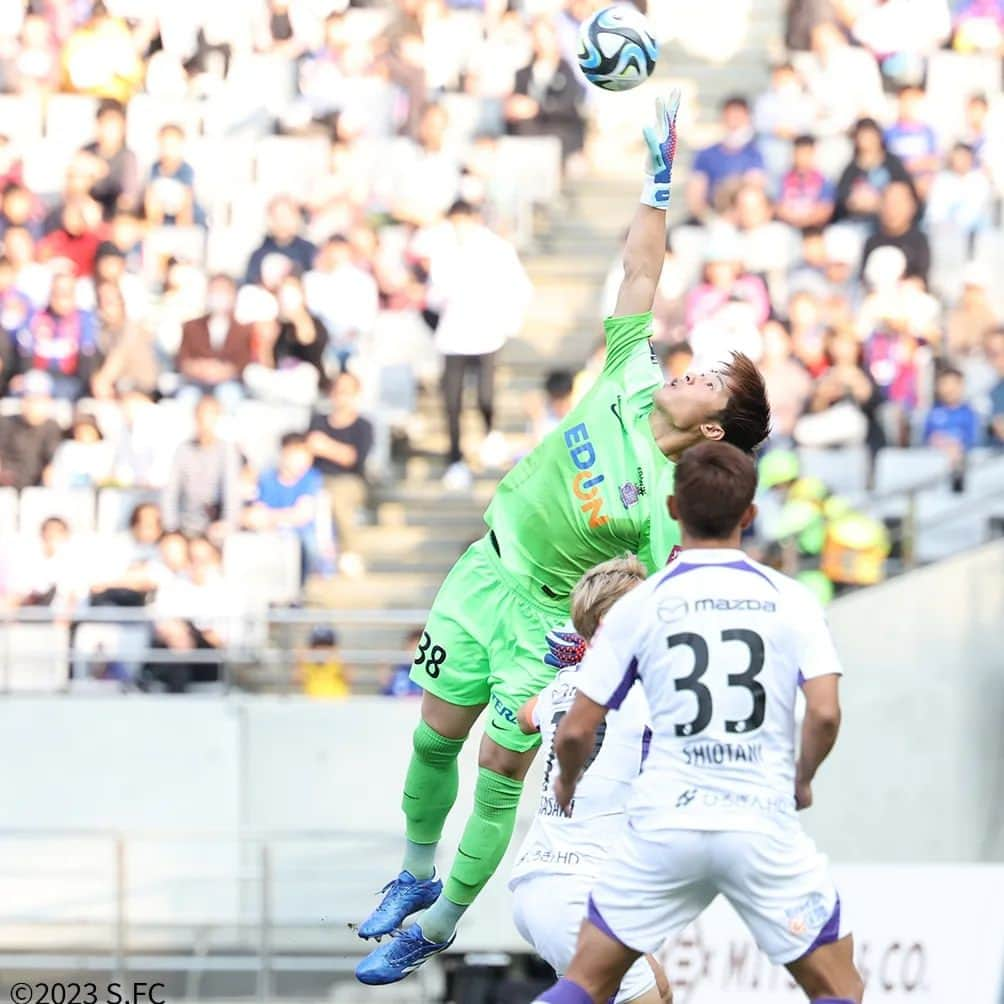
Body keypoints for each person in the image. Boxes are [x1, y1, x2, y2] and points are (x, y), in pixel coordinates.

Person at [353, 92, 771, 987]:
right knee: (434, 738)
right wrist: (659, 183)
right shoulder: (629, 373)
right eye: (701, 362)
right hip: (482, 571)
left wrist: (585, 651)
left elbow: (658, 610)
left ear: (712, 429)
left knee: (502, 764)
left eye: (712, 381)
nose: (694, 368)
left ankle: (442, 923)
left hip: (543, 624)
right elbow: (639, 274)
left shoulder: (664, 504)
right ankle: (413, 875)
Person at [531, 440, 862, 1004]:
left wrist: (564, 781)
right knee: (838, 985)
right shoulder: (792, 598)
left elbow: (577, 728)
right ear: (751, 514)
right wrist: (803, 777)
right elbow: (826, 714)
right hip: (758, 820)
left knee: (586, 983)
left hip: (666, 826)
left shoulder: (638, 605)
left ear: (672, 509)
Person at [510, 556, 669, 1004]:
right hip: (575, 891)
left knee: (660, 987)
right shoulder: (642, 687)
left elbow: (525, 716)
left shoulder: (563, 685)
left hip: (551, 883)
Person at [424, 200, 532, 490]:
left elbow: (519, 287)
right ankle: (454, 459)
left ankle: (490, 434)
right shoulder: (443, 250)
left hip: (486, 334)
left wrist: (508, 324)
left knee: (485, 396)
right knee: (451, 402)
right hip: (451, 337)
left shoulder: (496, 249)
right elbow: (434, 294)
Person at [306, 371, 373, 577]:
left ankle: (350, 552)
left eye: (347, 391)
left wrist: (325, 446)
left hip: (349, 481)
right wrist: (336, 451)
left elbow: (353, 458)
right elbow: (309, 448)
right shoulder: (318, 420)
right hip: (317, 478)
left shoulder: (363, 425)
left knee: (337, 499)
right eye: (338, 390)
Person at [244, 432, 332, 582]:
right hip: (271, 534)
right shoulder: (267, 478)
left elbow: (302, 515)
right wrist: (282, 517)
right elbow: (255, 515)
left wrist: (272, 516)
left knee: (306, 547)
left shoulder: (311, 478)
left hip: (303, 537)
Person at [162, 394, 242, 538]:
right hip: (186, 524)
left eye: (210, 418)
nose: (205, 424)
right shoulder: (183, 449)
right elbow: (171, 490)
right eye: (201, 418)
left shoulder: (227, 451)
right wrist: (171, 528)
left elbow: (231, 491)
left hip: (215, 525)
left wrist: (227, 523)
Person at [176, 274, 252, 408]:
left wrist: (224, 371)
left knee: (230, 396)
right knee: (186, 399)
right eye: (214, 291)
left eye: (223, 291)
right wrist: (200, 369)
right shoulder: (191, 327)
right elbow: (182, 359)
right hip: (196, 383)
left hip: (228, 384)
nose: (218, 297)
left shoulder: (243, 330)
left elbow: (244, 362)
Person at [686, 96, 766, 222]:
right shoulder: (705, 155)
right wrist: (710, 218)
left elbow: (755, 186)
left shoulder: (754, 154)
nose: (733, 124)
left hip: (744, 219)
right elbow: (695, 194)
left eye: (738, 118)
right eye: (730, 118)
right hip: (712, 217)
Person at [833, 118, 913, 229]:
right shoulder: (851, 169)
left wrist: (881, 203)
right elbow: (843, 199)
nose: (866, 141)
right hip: (858, 223)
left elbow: (906, 192)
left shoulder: (893, 164)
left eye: (870, 135)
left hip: (889, 224)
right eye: (862, 136)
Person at [0, 370, 62, 488]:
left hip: (37, 490)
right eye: (28, 399)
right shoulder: (6, 423)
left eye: (37, 400)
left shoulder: (52, 428)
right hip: (5, 486)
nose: (31, 405)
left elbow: (51, 464)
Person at [860, 181, 930, 284]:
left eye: (898, 203)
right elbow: (864, 281)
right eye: (888, 202)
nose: (892, 209)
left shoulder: (920, 242)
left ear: (912, 206)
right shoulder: (871, 242)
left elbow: (920, 280)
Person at [244, 195, 316, 286]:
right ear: (270, 220)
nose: (283, 221)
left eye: (288, 215)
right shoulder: (258, 256)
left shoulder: (309, 251)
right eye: (279, 216)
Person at [923, 367, 981, 474]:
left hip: (962, 467)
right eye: (944, 384)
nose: (948, 389)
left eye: (953, 384)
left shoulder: (969, 413)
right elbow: (925, 438)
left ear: (961, 386)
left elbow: (973, 440)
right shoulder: (933, 412)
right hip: (934, 466)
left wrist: (957, 446)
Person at [144, 124, 203, 228]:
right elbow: (151, 198)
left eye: (172, 146)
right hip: (164, 219)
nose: (168, 151)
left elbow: (187, 204)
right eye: (164, 145)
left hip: (186, 220)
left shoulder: (185, 170)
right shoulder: (154, 168)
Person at [775, 135, 836, 231]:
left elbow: (825, 210)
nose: (802, 157)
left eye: (807, 153)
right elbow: (778, 207)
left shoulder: (824, 180)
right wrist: (794, 220)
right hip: (788, 228)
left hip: (814, 230)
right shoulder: (783, 179)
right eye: (799, 153)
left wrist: (805, 222)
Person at [298, 626, 350, 698]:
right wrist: (301, 661)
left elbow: (349, 678)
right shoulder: (308, 662)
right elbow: (297, 679)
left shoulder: (337, 661)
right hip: (313, 703)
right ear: (312, 647)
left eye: (326, 645)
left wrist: (340, 660)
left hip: (337, 701)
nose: (322, 649)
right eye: (318, 645)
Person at [381, 629, 426, 698]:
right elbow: (387, 695)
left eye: (416, 648)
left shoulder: (427, 674)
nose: (413, 652)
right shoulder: (399, 671)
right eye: (411, 647)